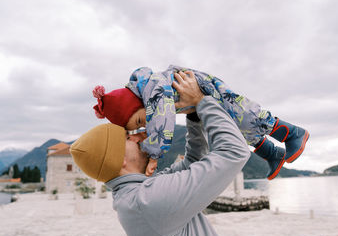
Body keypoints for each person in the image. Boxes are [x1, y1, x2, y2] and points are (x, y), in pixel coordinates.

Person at [70, 74, 250, 236]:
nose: (137, 136)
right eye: (126, 138)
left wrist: (194, 113)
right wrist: (203, 101)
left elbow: (193, 162)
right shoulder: (148, 200)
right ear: (119, 160)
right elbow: (234, 152)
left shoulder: (137, 194)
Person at [92, 65, 309, 180]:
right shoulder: (149, 96)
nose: (146, 123)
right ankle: (272, 154)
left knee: (250, 116)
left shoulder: (153, 88)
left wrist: (154, 155)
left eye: (140, 119)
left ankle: (292, 133)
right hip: (200, 101)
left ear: (137, 101)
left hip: (210, 90)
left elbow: (162, 120)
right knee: (240, 129)